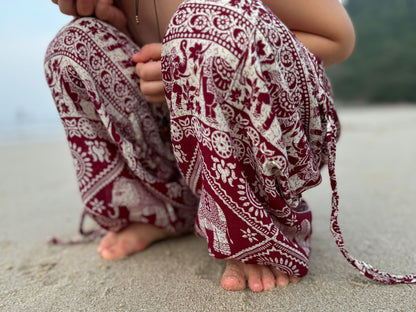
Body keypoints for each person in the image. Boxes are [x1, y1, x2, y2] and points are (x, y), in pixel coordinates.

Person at [46, 0, 355, 292]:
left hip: (274, 131)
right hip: (182, 135)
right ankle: (165, 208)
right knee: (74, 42)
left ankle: (259, 221)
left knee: (205, 22)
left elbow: (338, 38)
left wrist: (186, 57)